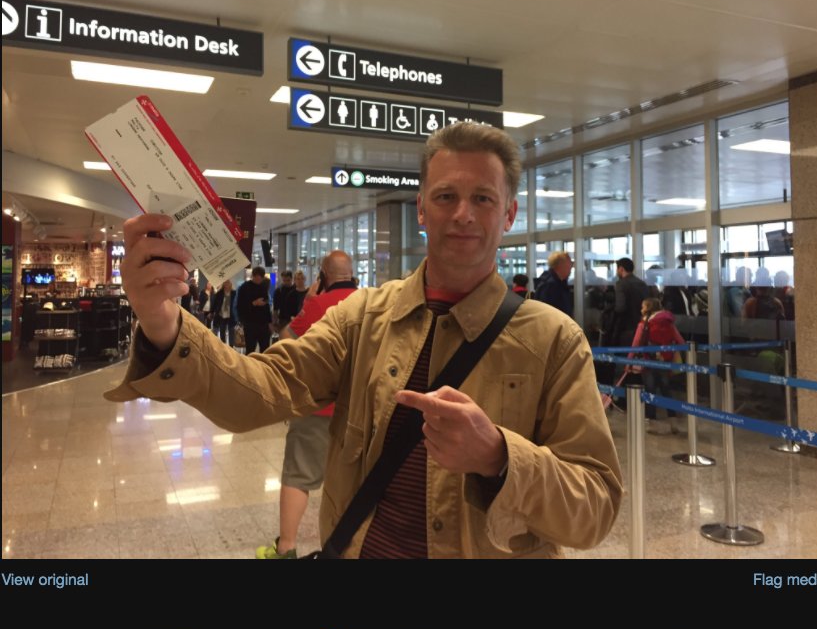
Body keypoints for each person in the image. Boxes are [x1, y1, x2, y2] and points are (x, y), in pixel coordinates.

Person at [108, 121, 622, 559]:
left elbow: (595, 508)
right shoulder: (362, 320)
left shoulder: (554, 341)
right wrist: (162, 320)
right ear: (421, 209)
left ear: (508, 213)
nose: (463, 213)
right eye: (446, 196)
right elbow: (262, 388)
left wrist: (499, 457)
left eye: (483, 198)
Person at [257, 251, 358, 559]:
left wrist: (308, 303)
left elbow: (288, 338)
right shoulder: (369, 302)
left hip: (317, 405)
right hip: (359, 409)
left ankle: (285, 548)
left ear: (323, 276)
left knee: (299, 474)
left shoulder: (317, 304)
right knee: (353, 479)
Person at [628, 298, 685, 435]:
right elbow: (680, 341)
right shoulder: (668, 322)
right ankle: (673, 421)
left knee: (650, 391)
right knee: (666, 390)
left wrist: (629, 361)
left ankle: (651, 422)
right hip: (664, 361)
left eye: (643, 307)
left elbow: (636, 343)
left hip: (648, 361)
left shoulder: (644, 323)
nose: (641, 309)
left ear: (648, 308)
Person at [611, 257, 648, 348]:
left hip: (626, 327)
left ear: (621, 269)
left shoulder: (621, 284)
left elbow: (620, 307)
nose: (617, 272)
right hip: (641, 325)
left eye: (617, 269)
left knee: (624, 353)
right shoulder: (642, 283)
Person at [235, 266, 272, 353]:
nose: (258, 280)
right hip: (250, 323)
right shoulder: (244, 287)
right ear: (253, 276)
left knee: (265, 349)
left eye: (260, 278)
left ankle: (263, 362)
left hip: (263, 323)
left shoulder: (263, 286)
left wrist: (270, 322)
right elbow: (240, 306)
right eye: (257, 278)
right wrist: (254, 303)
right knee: (250, 349)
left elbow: (266, 306)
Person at [533, 251, 573, 316]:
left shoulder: (560, 283)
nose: (571, 267)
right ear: (560, 265)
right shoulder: (550, 286)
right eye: (569, 264)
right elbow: (546, 313)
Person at [211, 279, 237, 347]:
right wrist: (211, 312)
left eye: (228, 282)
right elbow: (215, 303)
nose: (227, 284)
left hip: (231, 315)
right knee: (222, 331)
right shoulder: (219, 293)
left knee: (231, 331)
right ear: (223, 284)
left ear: (231, 284)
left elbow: (237, 304)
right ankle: (223, 346)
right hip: (221, 315)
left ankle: (231, 346)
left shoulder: (234, 293)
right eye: (225, 282)